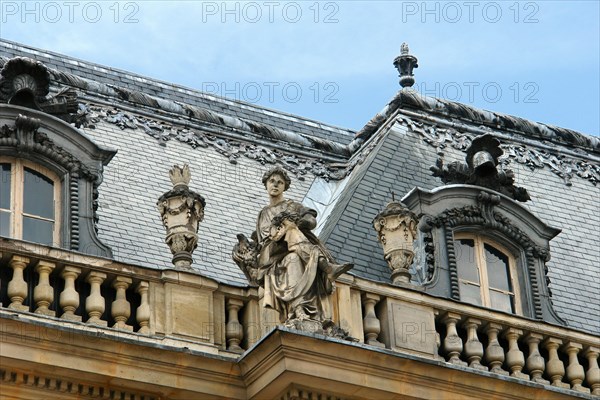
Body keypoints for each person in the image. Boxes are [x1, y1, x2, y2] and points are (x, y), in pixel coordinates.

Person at [233, 166, 352, 326]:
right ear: (266, 184)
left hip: (290, 248)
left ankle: (300, 308)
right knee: (289, 229)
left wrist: (295, 223)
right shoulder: (263, 213)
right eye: (272, 181)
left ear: (285, 186)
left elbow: (311, 221)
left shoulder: (292, 206)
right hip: (270, 253)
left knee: (293, 256)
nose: (275, 185)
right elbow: (264, 241)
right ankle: (326, 267)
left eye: (280, 182)